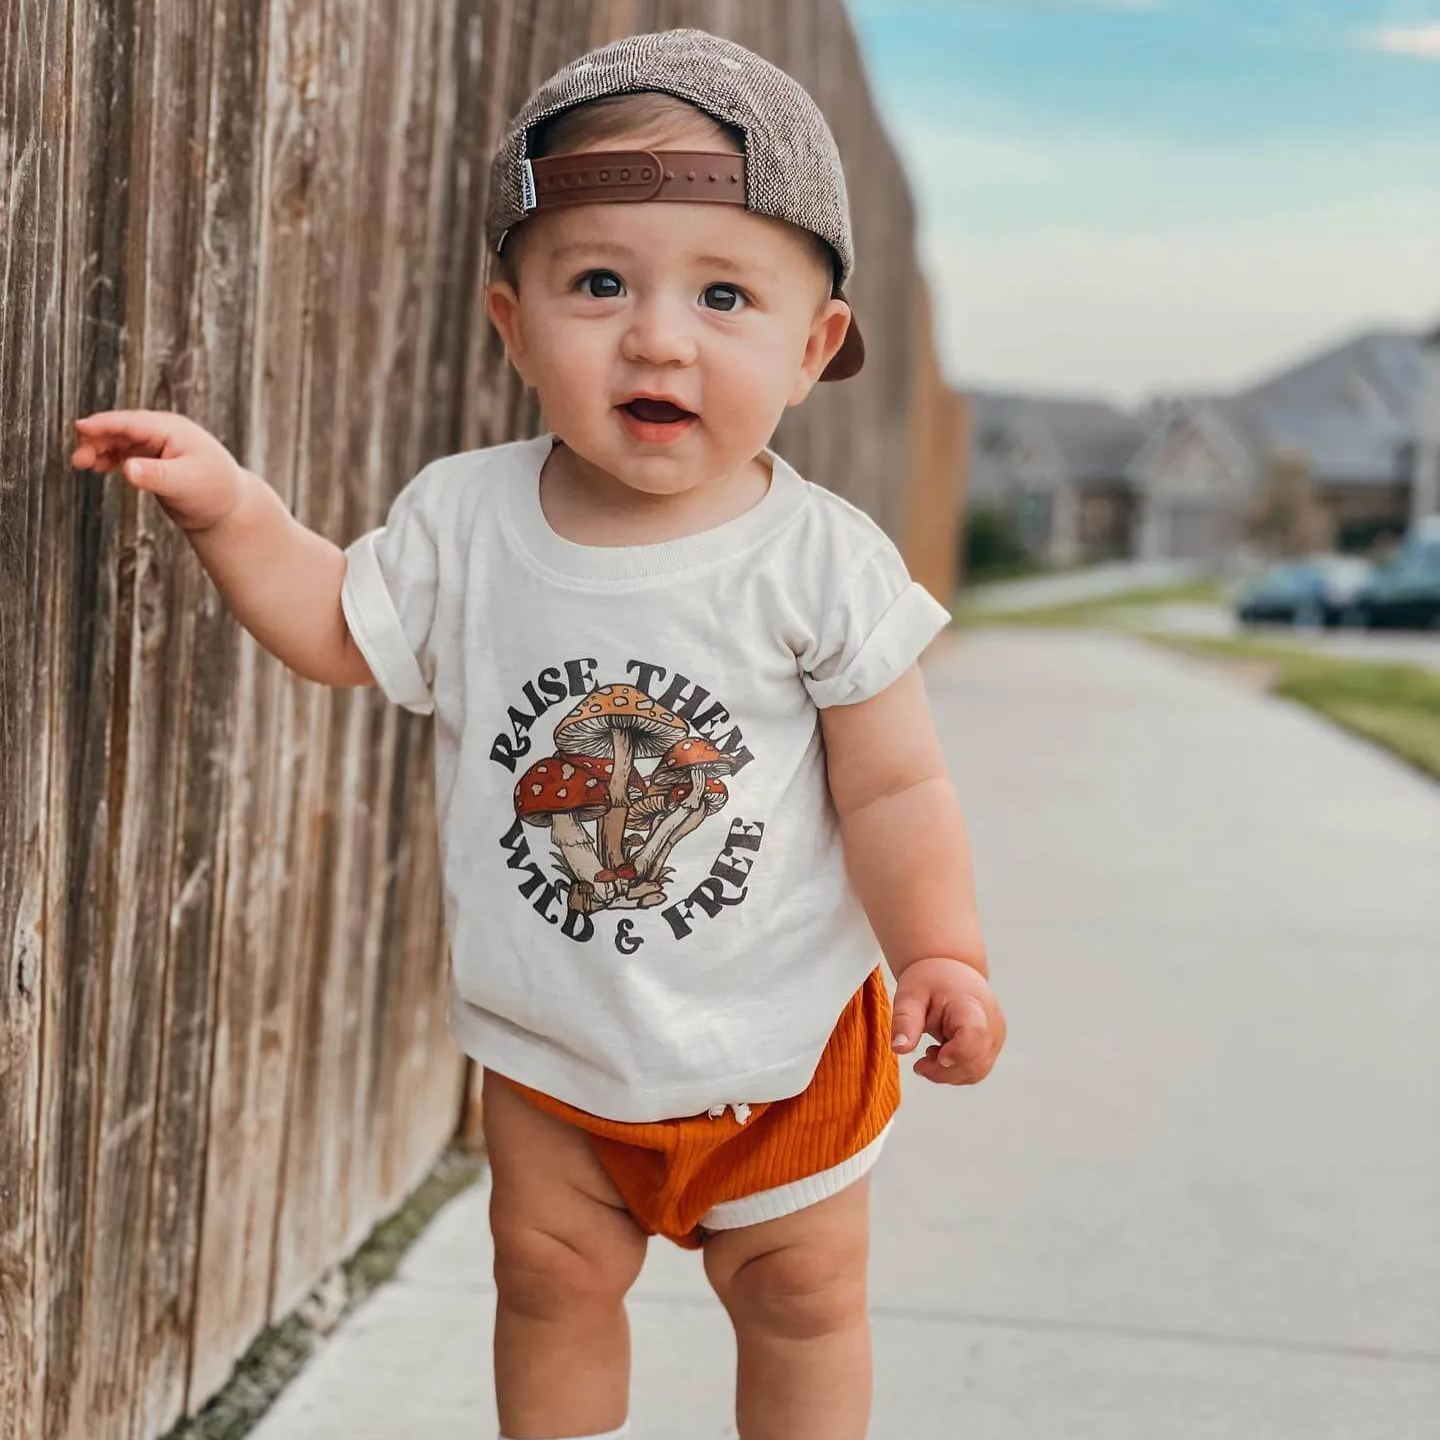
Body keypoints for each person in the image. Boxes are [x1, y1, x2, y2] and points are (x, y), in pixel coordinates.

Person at [70, 27, 1005, 1440]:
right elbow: (335, 623)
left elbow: (894, 788)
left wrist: (942, 951)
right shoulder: (465, 520)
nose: (657, 334)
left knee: (802, 1303)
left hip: (786, 1054)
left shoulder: (819, 560)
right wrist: (230, 510)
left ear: (813, 350)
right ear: (515, 324)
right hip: (554, 1055)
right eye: (600, 281)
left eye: (725, 293)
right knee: (548, 1282)